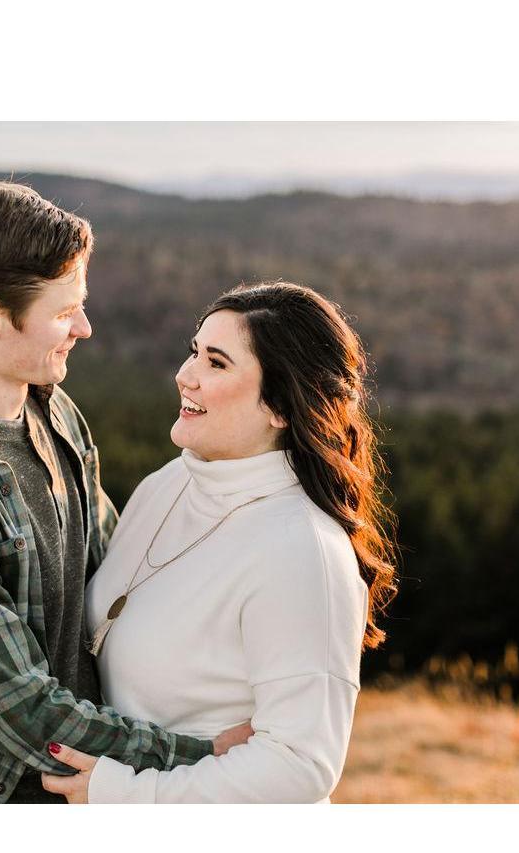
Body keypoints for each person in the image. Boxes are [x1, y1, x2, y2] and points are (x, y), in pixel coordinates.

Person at [0, 179, 251, 804]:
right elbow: (26, 714)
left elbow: (124, 572)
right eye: (63, 312)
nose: (85, 328)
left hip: (95, 791)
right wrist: (199, 758)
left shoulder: (53, 413)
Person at [42, 281, 397, 803]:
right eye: (193, 353)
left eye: (217, 363)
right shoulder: (166, 485)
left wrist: (127, 794)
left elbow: (300, 767)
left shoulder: (302, 551)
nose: (185, 376)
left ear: (280, 407)